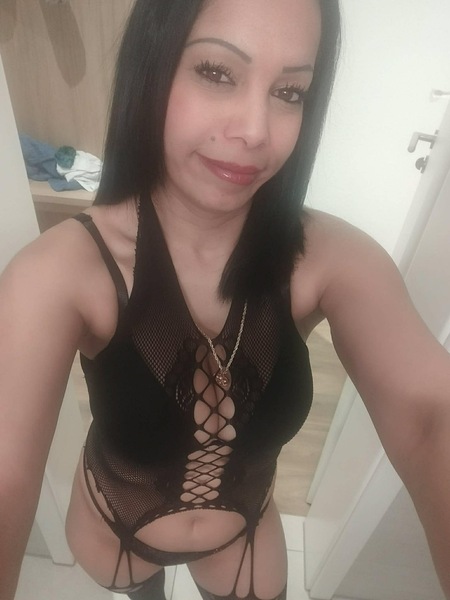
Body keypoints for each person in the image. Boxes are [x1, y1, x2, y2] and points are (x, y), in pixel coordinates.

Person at [1, 0, 449, 598]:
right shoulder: (59, 272)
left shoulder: (333, 258)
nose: (256, 131)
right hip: (115, 532)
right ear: (152, 68)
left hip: (244, 534)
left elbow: (431, 419)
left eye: (289, 92)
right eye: (216, 72)